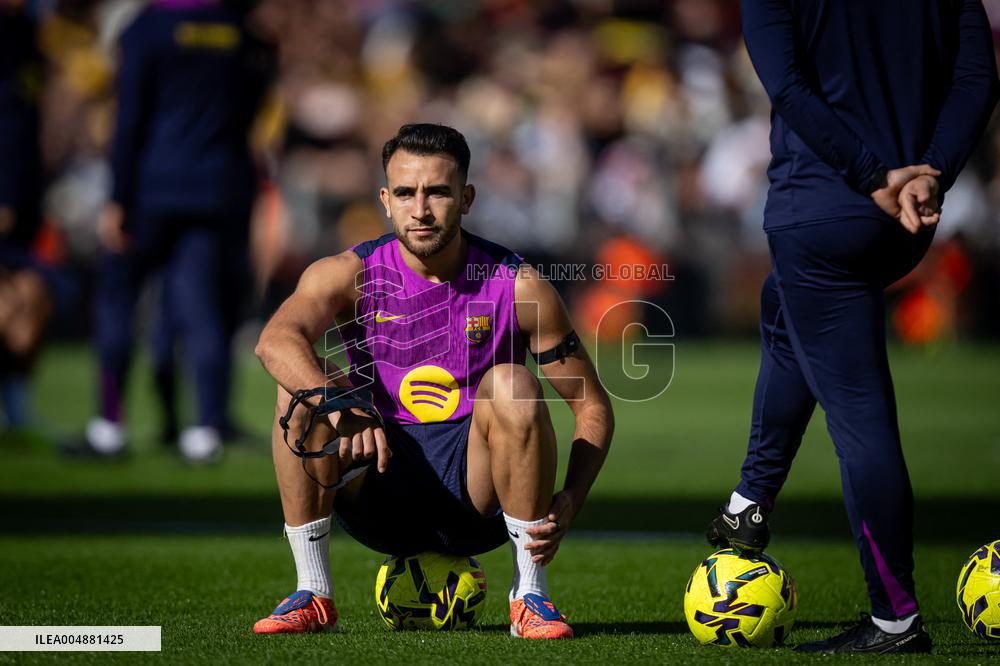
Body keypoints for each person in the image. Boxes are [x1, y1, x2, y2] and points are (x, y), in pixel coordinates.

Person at [707, 0, 999, 654]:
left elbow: (788, 88)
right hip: (906, 218)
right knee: (785, 314)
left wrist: (875, 177)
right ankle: (747, 505)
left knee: (860, 413)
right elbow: (978, 78)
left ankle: (894, 618)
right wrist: (933, 172)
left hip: (825, 208)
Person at [251, 123, 614, 639]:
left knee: (512, 383)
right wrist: (341, 404)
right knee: (299, 385)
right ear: (385, 199)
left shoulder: (519, 285)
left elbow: (593, 407)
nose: (420, 209)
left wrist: (571, 498)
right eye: (405, 193)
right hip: (375, 483)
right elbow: (274, 340)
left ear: (466, 197)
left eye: (437, 192)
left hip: (479, 497)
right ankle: (313, 592)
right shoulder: (347, 272)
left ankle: (531, 596)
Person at [80, 0, 273, 462]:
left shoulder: (148, 27)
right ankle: (205, 428)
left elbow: (130, 116)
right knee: (202, 308)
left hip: (151, 187)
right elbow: (252, 107)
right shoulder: (240, 31)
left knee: (117, 303)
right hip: (215, 188)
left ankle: (109, 424)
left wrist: (118, 196)